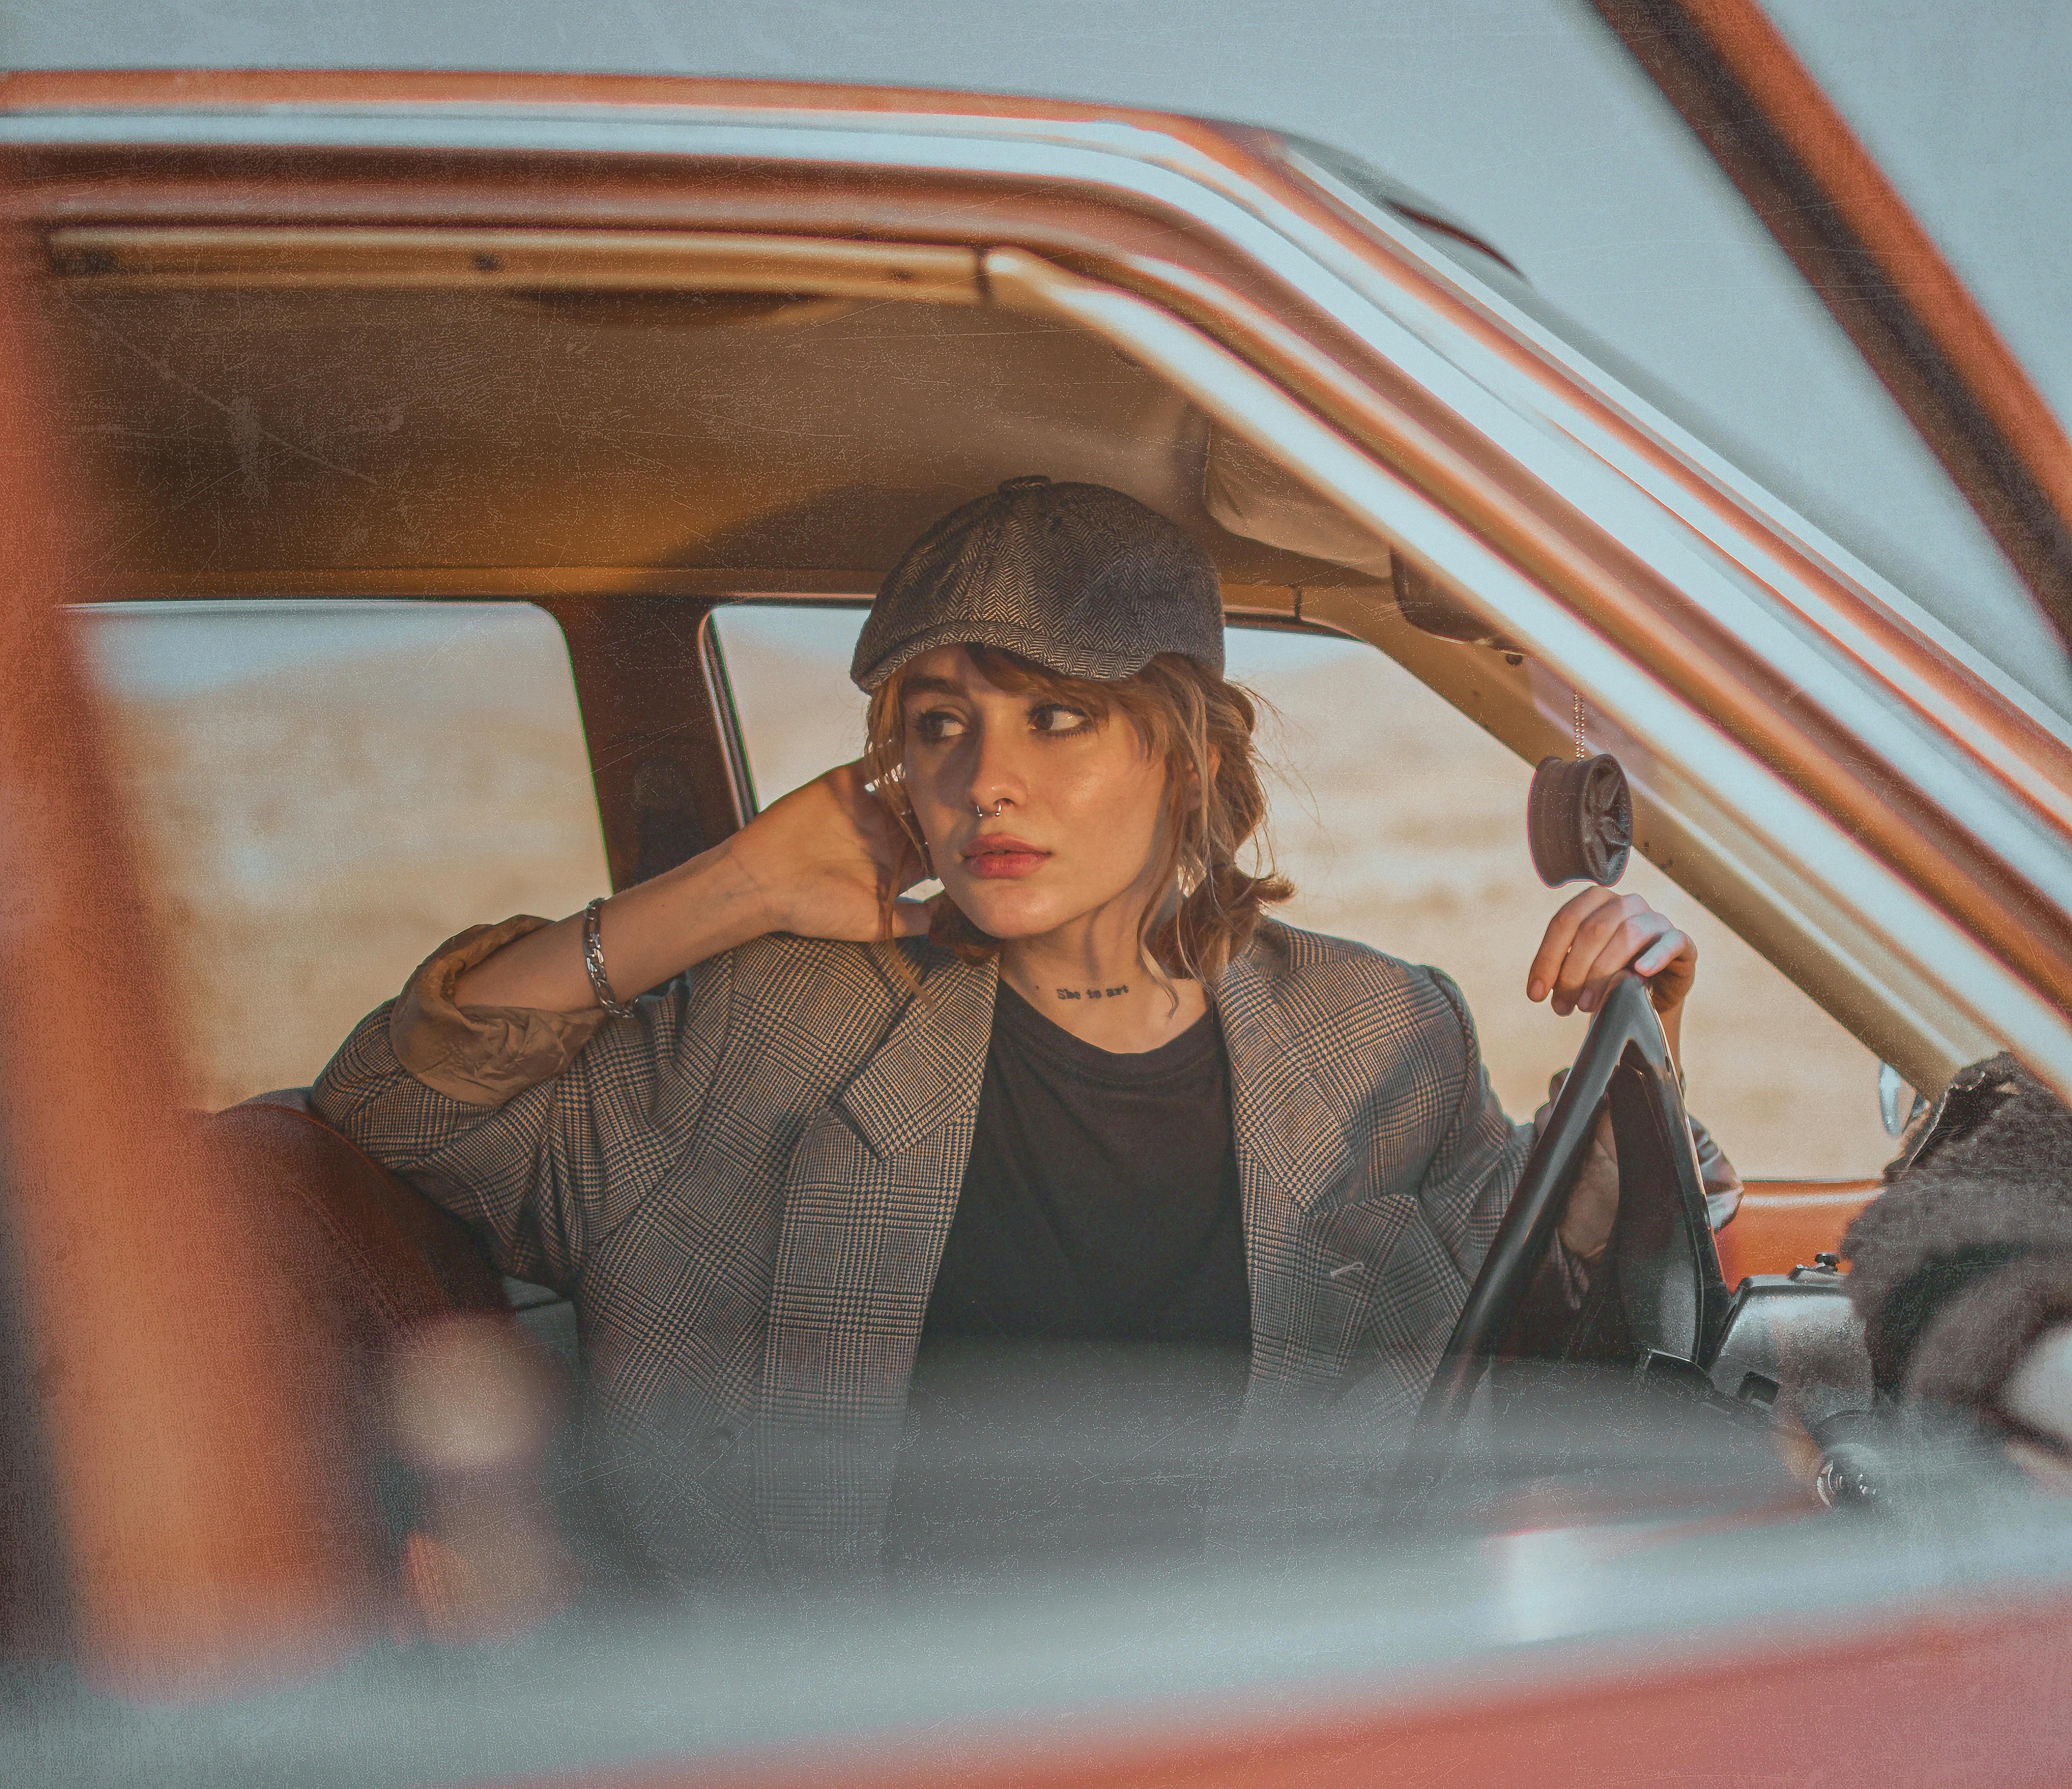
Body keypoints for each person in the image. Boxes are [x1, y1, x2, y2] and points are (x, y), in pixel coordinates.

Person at [313, 478, 1716, 1580]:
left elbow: (1527, 1305)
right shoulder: (776, 1024)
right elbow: (403, 1102)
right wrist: (734, 884)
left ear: (1191, 754)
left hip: (1254, 1745)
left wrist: (1619, 1136)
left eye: (1060, 717)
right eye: (938, 725)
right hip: (862, 1774)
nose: (987, 781)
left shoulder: (1377, 1033)